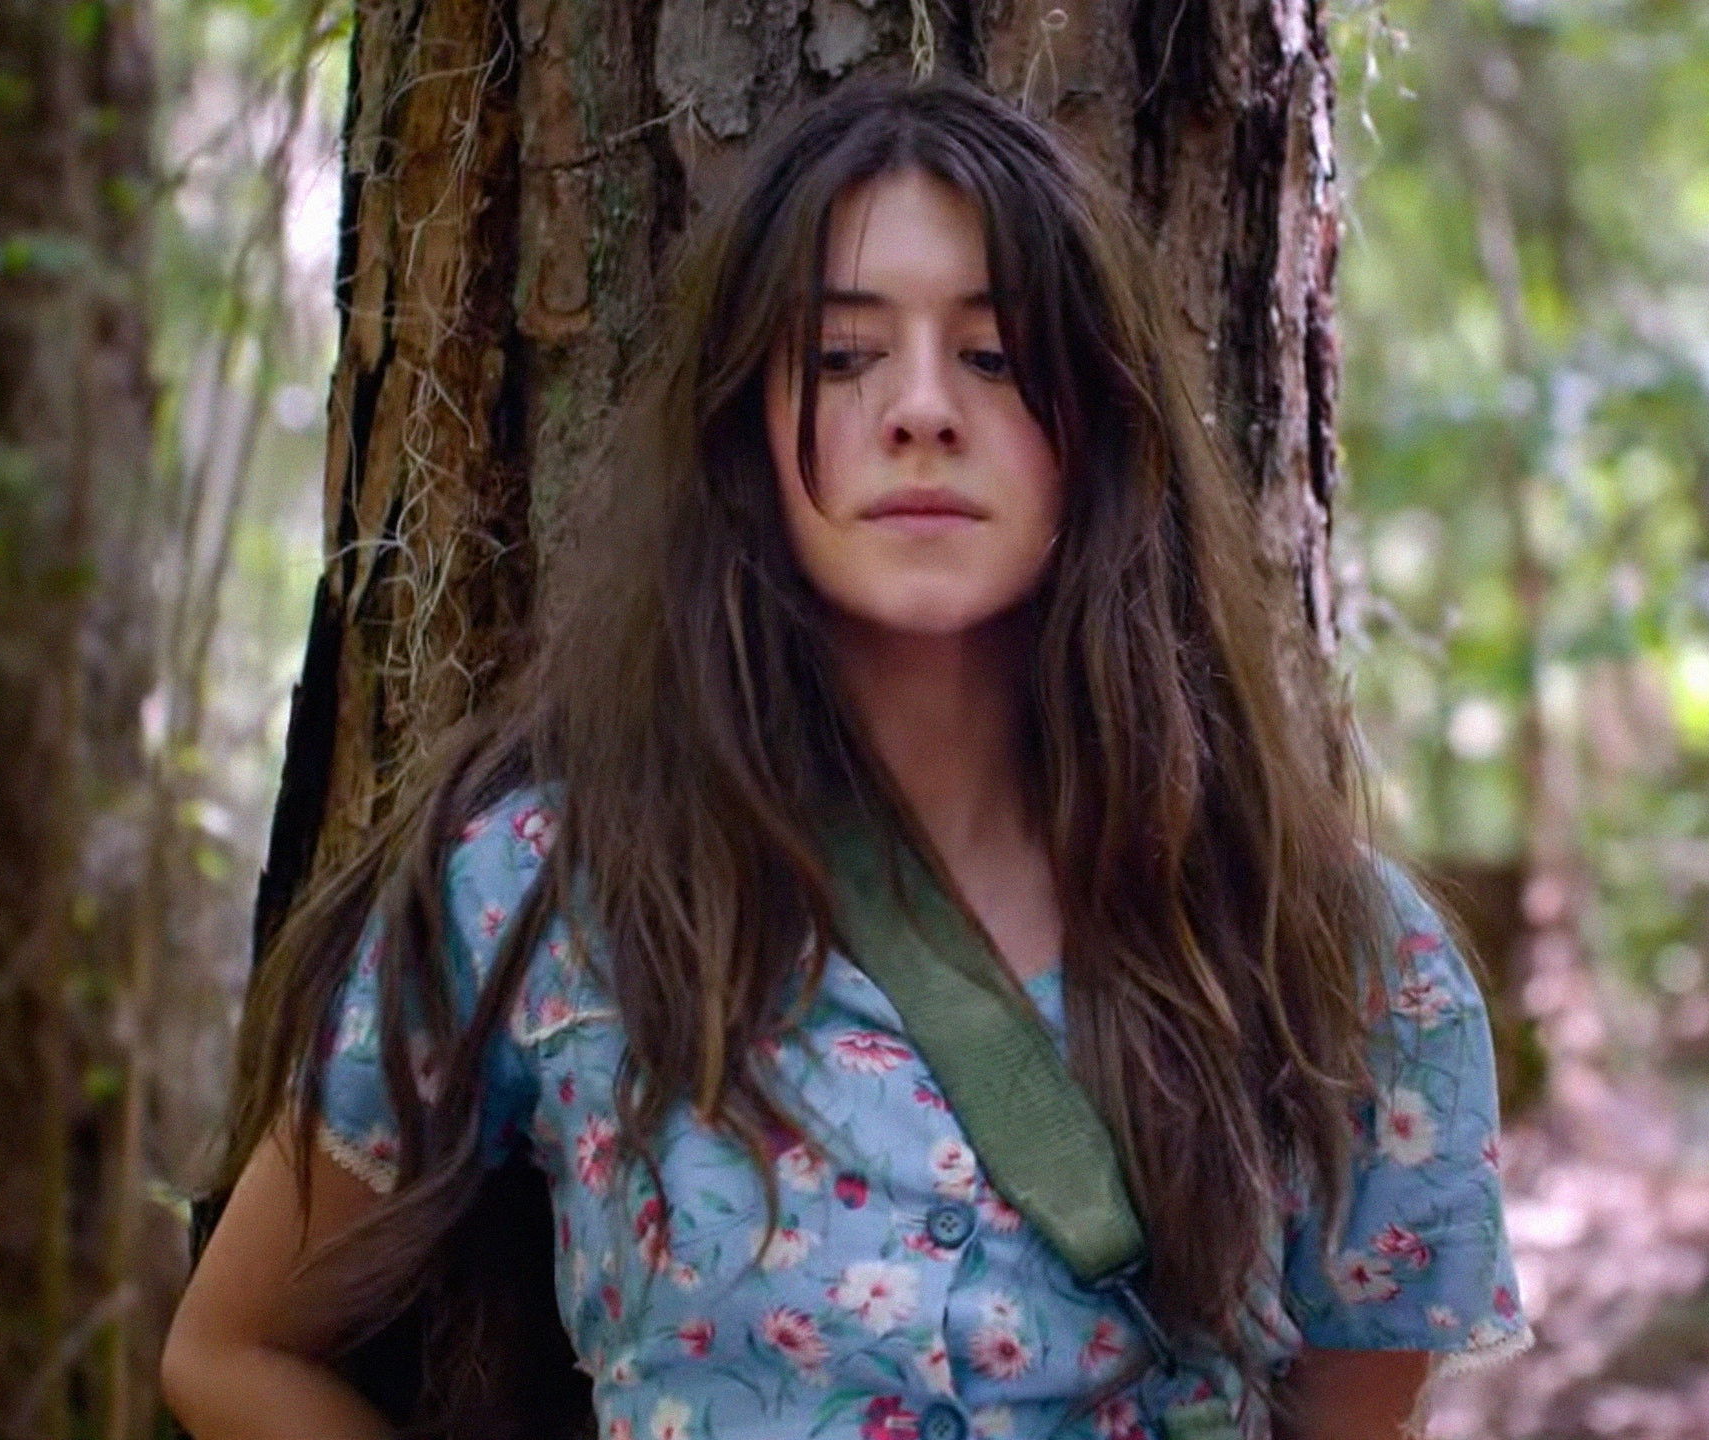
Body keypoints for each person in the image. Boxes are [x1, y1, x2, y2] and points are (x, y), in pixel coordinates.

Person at [161, 70, 1533, 1440]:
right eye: (839, 357)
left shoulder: (1338, 959)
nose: (922, 409)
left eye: (995, 356)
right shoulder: (554, 888)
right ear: (748, 431)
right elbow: (230, 1355)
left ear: (1103, 428)